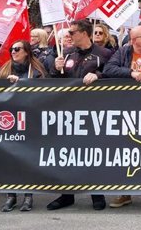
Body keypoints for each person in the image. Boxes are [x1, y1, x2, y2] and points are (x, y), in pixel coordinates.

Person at [46, 19, 111, 211]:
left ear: (84, 33)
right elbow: (53, 81)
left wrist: (98, 76)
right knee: (67, 154)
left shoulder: (104, 54)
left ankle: (96, 195)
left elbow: (112, 74)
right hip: (68, 111)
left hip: (93, 111)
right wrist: (55, 69)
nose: (69, 36)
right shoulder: (66, 54)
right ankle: (67, 195)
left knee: (91, 154)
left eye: (72, 32)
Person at [103, 25, 141, 211]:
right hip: (127, 108)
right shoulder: (123, 52)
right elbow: (109, 69)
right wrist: (130, 73)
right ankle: (125, 192)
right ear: (134, 40)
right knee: (126, 150)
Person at [0, 40, 48, 212]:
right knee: (9, 158)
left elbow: (44, 93)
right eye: (12, 49)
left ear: (26, 52)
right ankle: (11, 196)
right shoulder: (4, 69)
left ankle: (28, 196)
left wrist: (22, 85)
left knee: (27, 159)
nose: (13, 52)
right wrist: (4, 81)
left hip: (30, 121)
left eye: (17, 49)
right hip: (8, 121)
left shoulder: (37, 71)